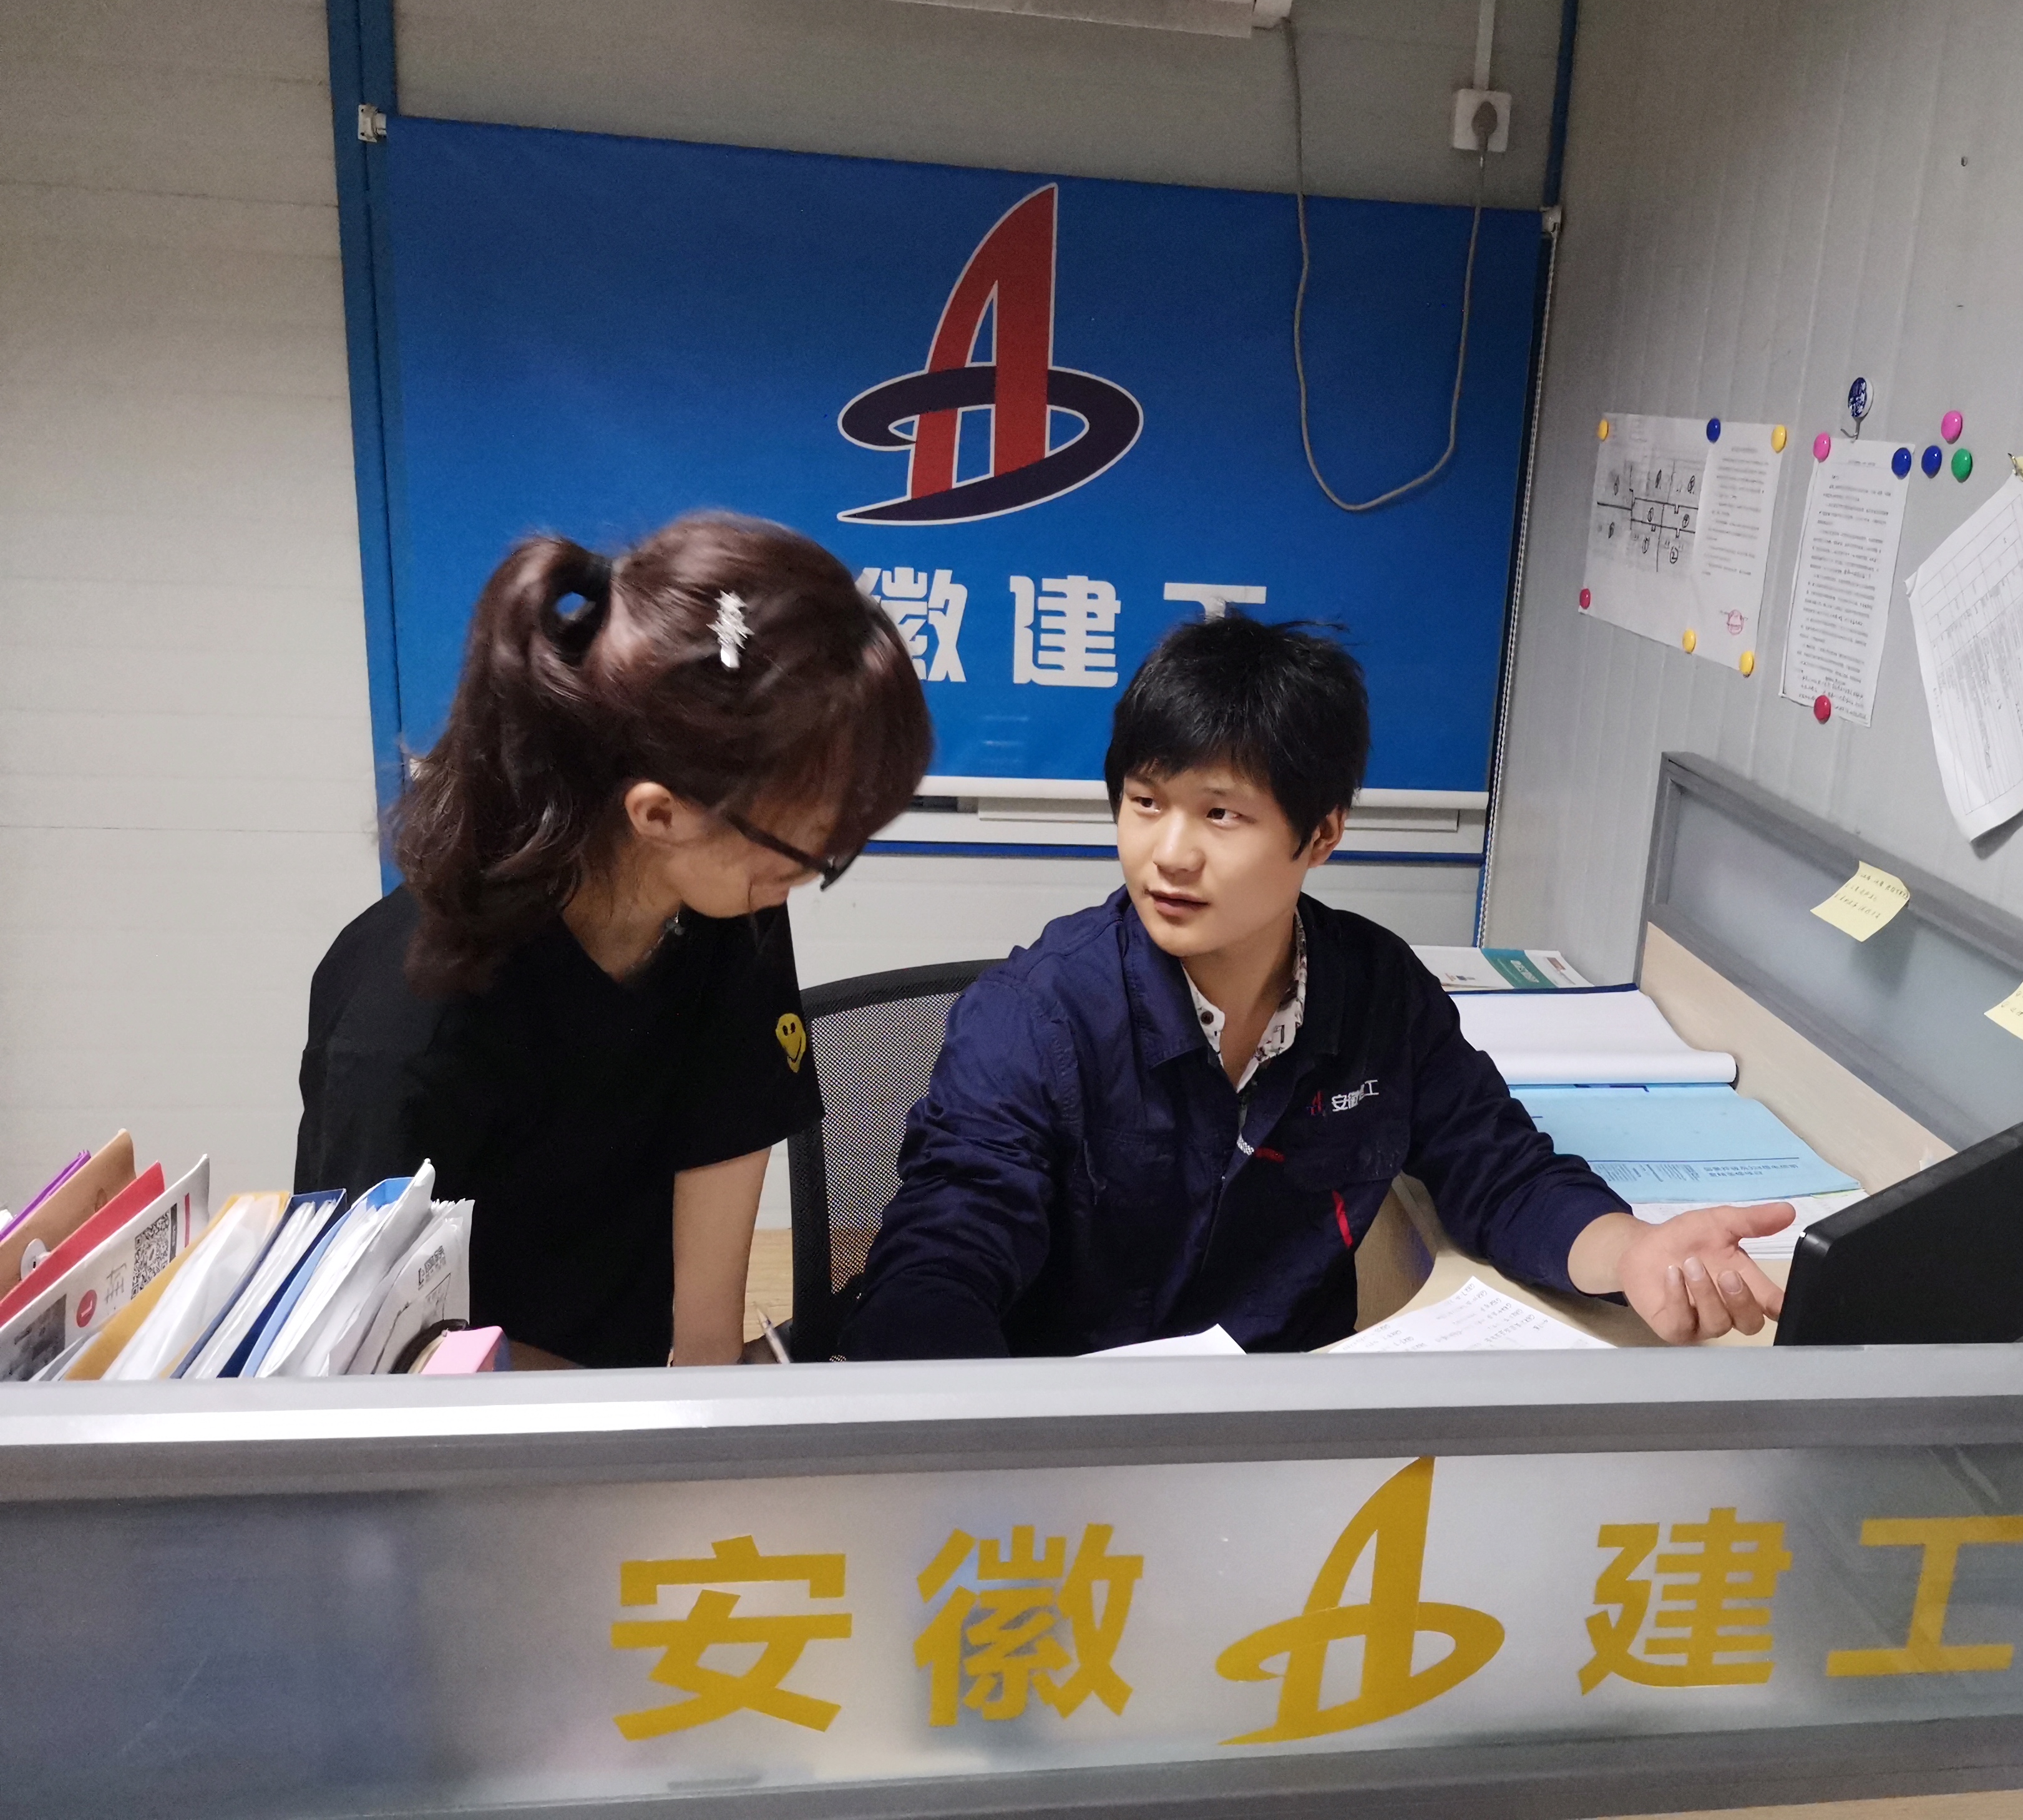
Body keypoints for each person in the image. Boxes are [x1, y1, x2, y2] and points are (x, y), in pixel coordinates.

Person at [842, 615, 1791, 1359]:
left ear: (1322, 834)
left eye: (1221, 814)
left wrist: (1634, 1251)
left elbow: (1500, 1176)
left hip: (1281, 1452)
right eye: (1146, 803)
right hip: (1062, 1459)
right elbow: (946, 1252)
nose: (1170, 853)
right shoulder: (1035, 1017)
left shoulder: (1379, 995)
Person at [295, 515, 930, 1368]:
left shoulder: (727, 899)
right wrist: (623, 1417)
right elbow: (376, 1350)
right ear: (658, 814)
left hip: (630, 1388)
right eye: (810, 848)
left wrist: (706, 1388)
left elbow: (727, 1130)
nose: (811, 874)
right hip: (457, 1412)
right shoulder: (407, 1028)